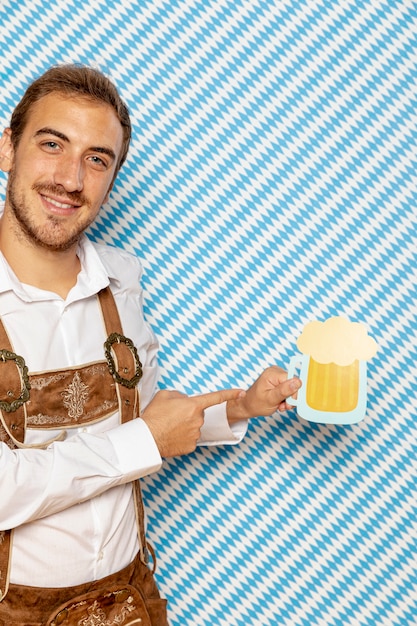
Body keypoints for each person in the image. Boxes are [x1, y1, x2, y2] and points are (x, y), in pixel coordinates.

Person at [0, 64, 301, 625]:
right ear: (8, 148)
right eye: (51, 144)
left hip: (132, 598)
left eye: (97, 159)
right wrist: (139, 442)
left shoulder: (121, 281)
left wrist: (238, 407)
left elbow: (143, 419)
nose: (71, 178)